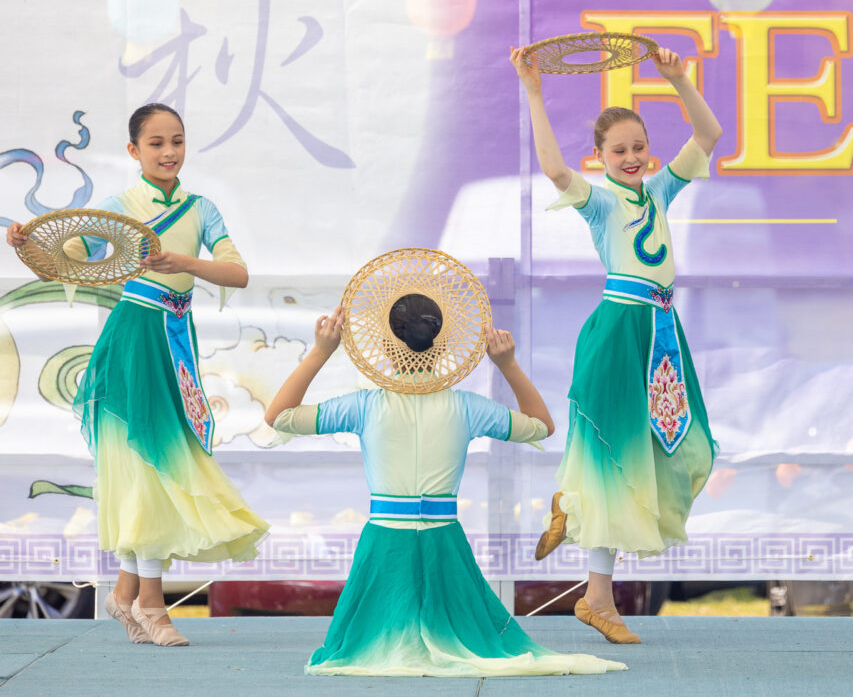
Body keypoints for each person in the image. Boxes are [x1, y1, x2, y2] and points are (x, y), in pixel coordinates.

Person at [6, 103, 268, 647]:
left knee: (160, 465)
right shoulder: (119, 208)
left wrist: (186, 263)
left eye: (177, 140)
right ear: (134, 151)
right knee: (147, 465)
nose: (169, 151)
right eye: (156, 143)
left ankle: (126, 595)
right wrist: (28, 243)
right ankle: (151, 604)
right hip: (133, 341)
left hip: (176, 345)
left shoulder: (202, 208)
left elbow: (237, 273)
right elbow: (65, 261)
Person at [265, 283, 625, 677]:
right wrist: (507, 364)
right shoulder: (466, 407)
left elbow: (278, 416)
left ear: (385, 345)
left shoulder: (364, 405)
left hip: (383, 549)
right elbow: (540, 426)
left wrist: (321, 350)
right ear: (442, 342)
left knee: (353, 653)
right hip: (446, 545)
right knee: (484, 644)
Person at [510, 45, 721, 644]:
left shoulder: (660, 191)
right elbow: (553, 169)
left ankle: (574, 521)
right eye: (618, 150)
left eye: (637, 148)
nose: (631, 157)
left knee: (661, 457)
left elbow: (709, 132)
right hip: (617, 332)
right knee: (615, 459)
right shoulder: (600, 203)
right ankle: (596, 592)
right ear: (599, 159)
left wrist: (680, 81)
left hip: (659, 337)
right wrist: (533, 91)